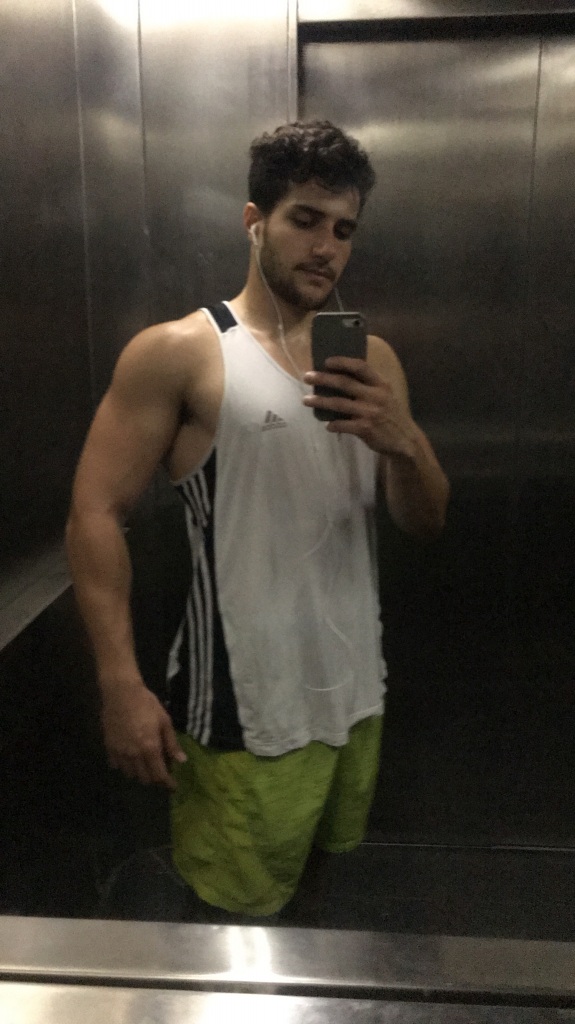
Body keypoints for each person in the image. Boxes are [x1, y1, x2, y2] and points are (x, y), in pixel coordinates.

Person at [66, 120, 449, 919]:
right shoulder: (181, 352)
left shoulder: (371, 362)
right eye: (304, 220)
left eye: (343, 230)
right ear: (254, 221)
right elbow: (94, 513)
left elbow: (424, 522)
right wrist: (120, 686)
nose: (325, 247)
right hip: (243, 701)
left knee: (313, 891)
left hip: (352, 690)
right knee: (232, 915)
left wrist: (404, 442)